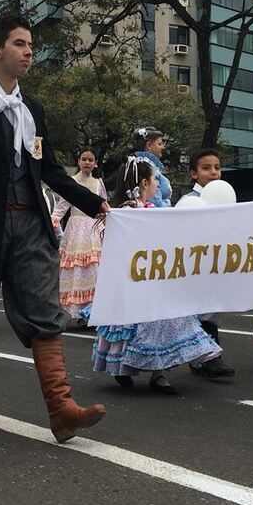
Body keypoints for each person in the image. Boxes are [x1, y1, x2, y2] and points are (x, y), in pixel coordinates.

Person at [0, 15, 108, 443]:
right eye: (21, 44)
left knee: (44, 311)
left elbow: (48, 170)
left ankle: (61, 408)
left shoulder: (35, 109)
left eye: (30, 45)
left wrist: (96, 203)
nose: (30, 52)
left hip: (30, 222)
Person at [88, 158, 225, 393]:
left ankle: (159, 373)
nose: (157, 185)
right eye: (155, 180)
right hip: (133, 281)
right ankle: (123, 367)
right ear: (144, 183)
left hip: (155, 279)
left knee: (164, 323)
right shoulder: (126, 211)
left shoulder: (152, 210)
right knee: (128, 327)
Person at [176, 148, 235, 378]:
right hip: (195, 263)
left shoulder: (224, 196)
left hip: (217, 261)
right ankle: (209, 357)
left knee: (213, 307)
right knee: (201, 309)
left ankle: (203, 357)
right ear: (194, 173)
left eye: (217, 168)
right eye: (206, 168)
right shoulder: (189, 200)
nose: (213, 173)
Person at [50, 146, 108, 324]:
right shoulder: (72, 182)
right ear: (78, 161)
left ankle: (93, 312)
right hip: (76, 232)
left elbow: (104, 207)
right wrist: (54, 221)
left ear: (96, 163)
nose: (87, 163)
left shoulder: (99, 183)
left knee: (95, 270)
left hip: (94, 230)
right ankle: (78, 313)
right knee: (76, 271)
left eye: (91, 160)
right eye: (84, 159)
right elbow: (60, 209)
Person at [132, 126, 172, 207]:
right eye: (160, 144)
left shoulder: (148, 164)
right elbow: (155, 201)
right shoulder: (147, 166)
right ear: (149, 145)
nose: (163, 147)